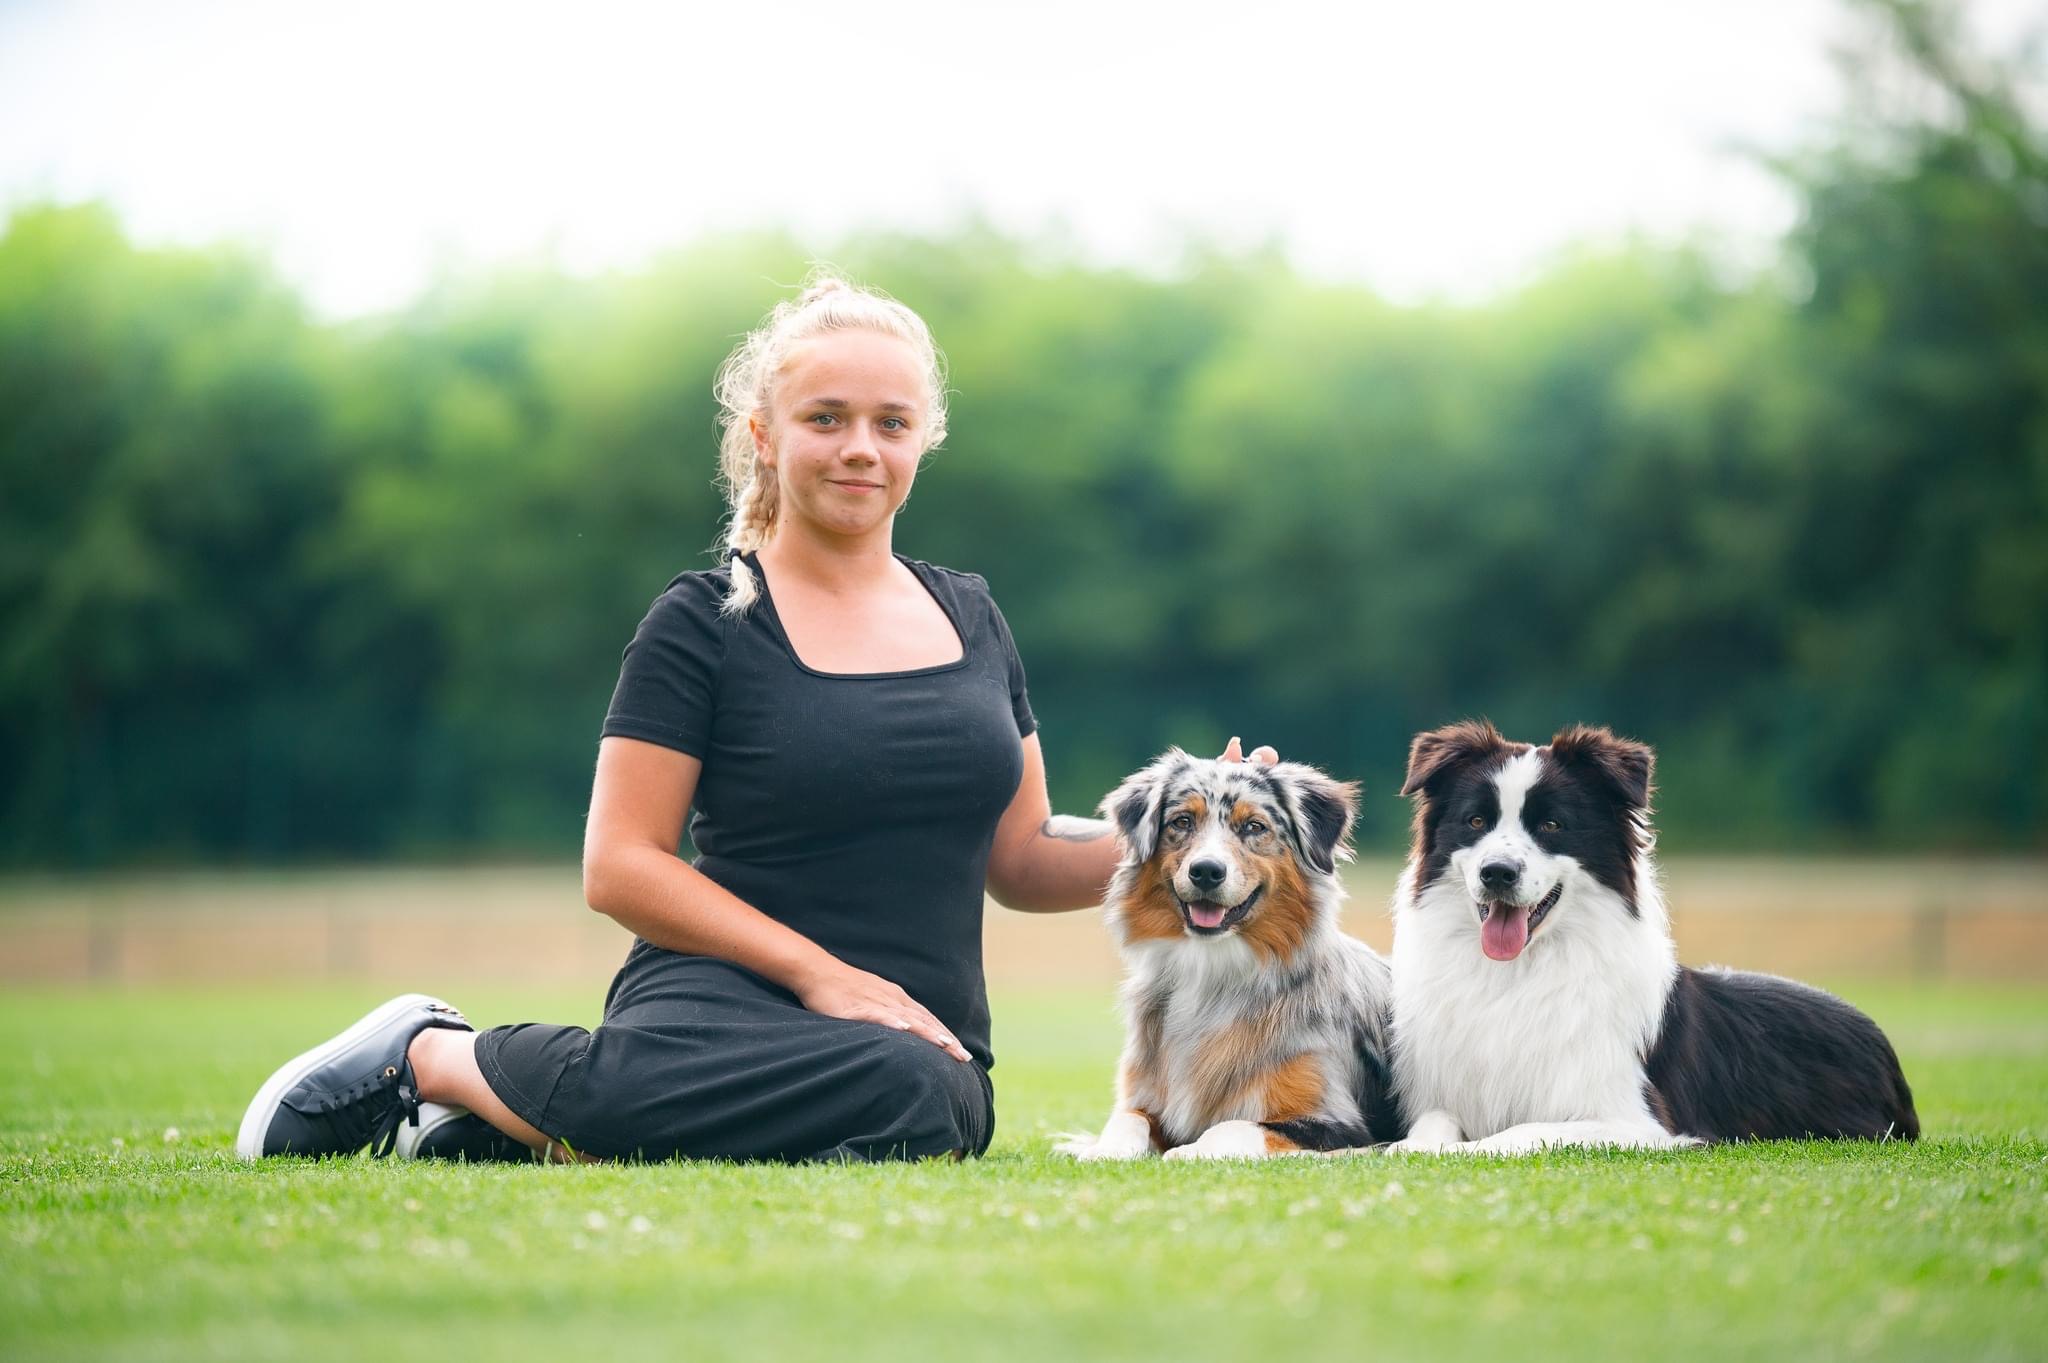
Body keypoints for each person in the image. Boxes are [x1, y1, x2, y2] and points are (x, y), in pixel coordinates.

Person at [236, 275, 1272, 1164]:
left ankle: (521, 1119)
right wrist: (816, 974)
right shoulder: (700, 623)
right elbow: (619, 866)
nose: (859, 448)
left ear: (924, 438)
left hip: (914, 1044)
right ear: (764, 436)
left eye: (889, 423)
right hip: (710, 1008)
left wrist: (1193, 836)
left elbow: (1023, 856)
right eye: (825, 418)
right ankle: (433, 1053)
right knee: (819, 1081)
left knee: (924, 1104)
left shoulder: (970, 614)